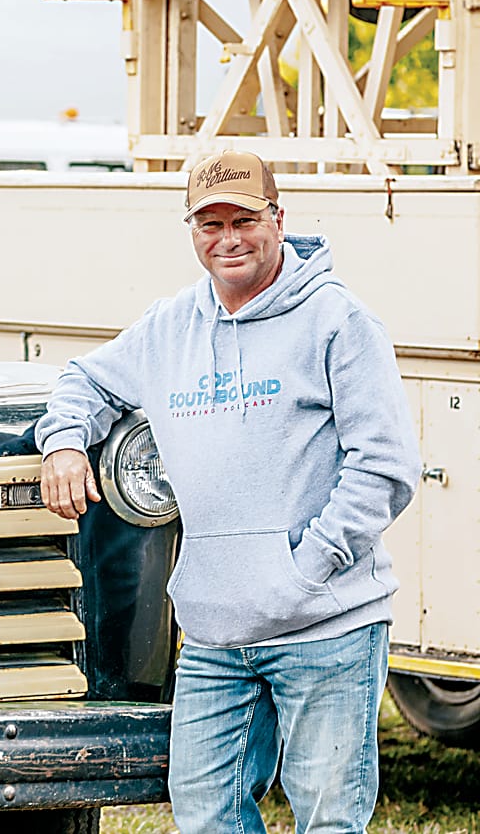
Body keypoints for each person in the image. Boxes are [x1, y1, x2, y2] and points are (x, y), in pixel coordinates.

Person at [35, 150, 420, 834]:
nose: (228, 239)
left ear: (279, 219)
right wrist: (64, 441)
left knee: (329, 820)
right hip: (215, 633)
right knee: (206, 814)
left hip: (325, 625)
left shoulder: (338, 322)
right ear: (192, 230)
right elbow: (83, 379)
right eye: (210, 224)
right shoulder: (168, 327)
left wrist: (307, 568)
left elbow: (386, 467)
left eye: (244, 220)